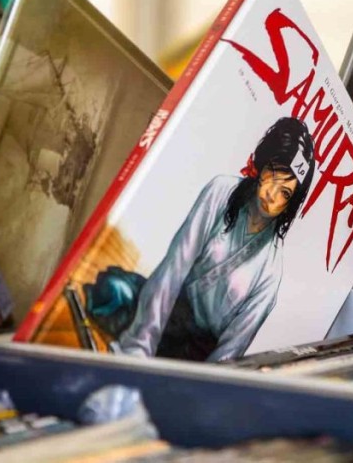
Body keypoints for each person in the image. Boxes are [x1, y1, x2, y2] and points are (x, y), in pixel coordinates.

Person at [118, 117, 315, 362]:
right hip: (166, 308)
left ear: (290, 204)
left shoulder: (271, 272)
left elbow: (231, 349)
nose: (272, 194)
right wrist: (141, 345)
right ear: (262, 166)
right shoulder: (221, 191)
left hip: (196, 352)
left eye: (285, 192)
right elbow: (174, 268)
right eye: (273, 174)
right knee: (113, 289)